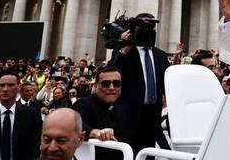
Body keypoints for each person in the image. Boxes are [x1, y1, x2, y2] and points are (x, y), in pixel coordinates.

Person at [110, 12, 170, 154]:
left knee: (148, 154)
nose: (148, 29)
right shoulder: (124, 51)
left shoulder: (160, 55)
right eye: (143, 25)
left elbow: (166, 85)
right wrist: (124, 47)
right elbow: (112, 72)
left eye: (152, 26)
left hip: (152, 116)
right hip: (128, 116)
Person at [0, 70, 42, 160]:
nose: (5, 89)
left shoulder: (30, 114)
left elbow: (34, 147)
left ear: (19, 87)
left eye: (10, 85)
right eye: (2, 85)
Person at [73, 65, 130, 160]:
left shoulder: (122, 108)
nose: (111, 88)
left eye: (116, 83)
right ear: (95, 86)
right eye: (106, 84)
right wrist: (95, 132)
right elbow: (74, 123)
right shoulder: (84, 103)